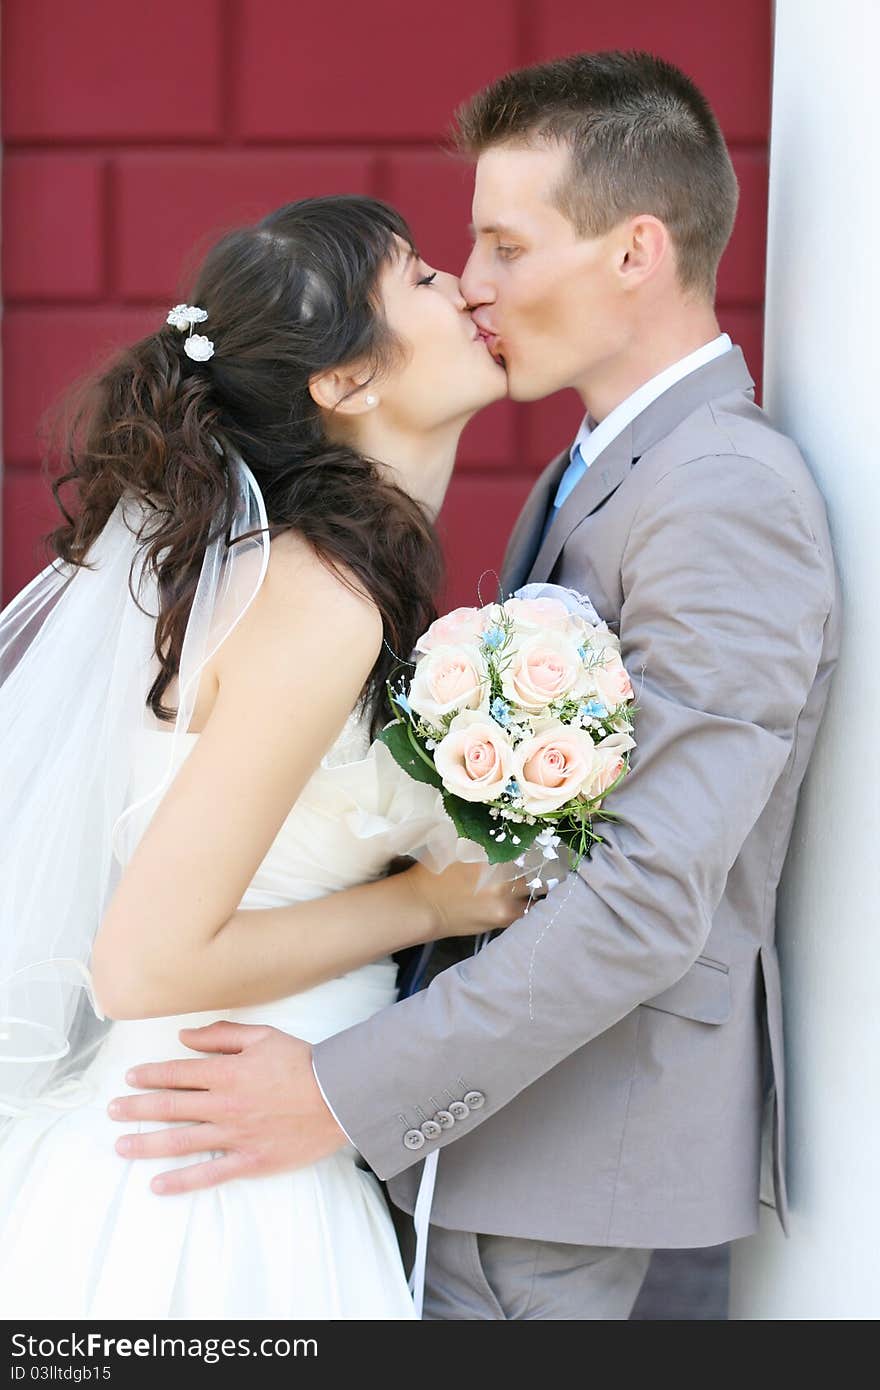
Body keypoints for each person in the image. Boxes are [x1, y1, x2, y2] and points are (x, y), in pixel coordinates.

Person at [111, 52, 841, 1321]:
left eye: (503, 245)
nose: (479, 287)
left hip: (549, 1161)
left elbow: (642, 897)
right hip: (446, 1139)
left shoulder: (720, 494)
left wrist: (345, 1091)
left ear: (634, 251)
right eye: (458, 258)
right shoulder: (587, 477)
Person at [0, 195, 532, 1319]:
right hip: (208, 1188)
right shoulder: (320, 599)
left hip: (255, 1144)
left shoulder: (331, 579)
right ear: (344, 384)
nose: (467, 287)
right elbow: (142, 964)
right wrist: (434, 902)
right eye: (424, 279)